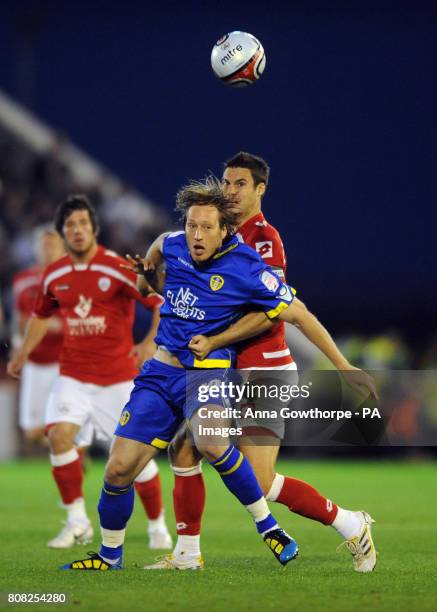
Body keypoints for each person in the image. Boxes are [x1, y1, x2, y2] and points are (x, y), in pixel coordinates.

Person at [60, 177, 375, 572]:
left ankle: (272, 528)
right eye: (192, 225)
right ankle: (123, 557)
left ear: (225, 230)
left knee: (211, 444)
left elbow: (298, 314)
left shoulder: (247, 264)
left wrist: (343, 366)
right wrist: (147, 273)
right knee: (124, 466)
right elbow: (151, 279)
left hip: (214, 374)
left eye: (207, 227)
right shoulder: (170, 244)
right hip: (160, 374)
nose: (196, 234)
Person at [147, 153, 377, 574]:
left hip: (264, 369)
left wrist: (343, 366)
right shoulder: (217, 231)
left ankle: (350, 522)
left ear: (260, 190)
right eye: (227, 182)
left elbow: (277, 310)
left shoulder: (263, 238)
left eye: (240, 184)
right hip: (223, 371)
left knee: (261, 481)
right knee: (184, 450)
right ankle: (186, 554)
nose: (230, 190)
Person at [7, 195, 172, 551]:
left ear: (94, 229)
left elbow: (158, 300)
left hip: (117, 379)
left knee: (133, 459)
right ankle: (77, 521)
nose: (77, 230)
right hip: (73, 376)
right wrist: (22, 354)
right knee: (59, 436)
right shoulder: (55, 273)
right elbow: (41, 316)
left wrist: (147, 343)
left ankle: (158, 525)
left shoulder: (115, 267)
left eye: (83, 224)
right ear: (64, 234)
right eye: (70, 226)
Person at [11, 225, 64, 444]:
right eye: (44, 245)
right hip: (34, 362)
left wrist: (44, 324)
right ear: (36, 249)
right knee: (32, 433)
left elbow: (74, 320)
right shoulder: (22, 280)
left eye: (52, 245)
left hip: (62, 361)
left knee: (63, 425)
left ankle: (72, 451)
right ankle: (72, 449)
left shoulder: (69, 278)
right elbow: (18, 318)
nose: (48, 249)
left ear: (62, 248)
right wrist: (17, 344)